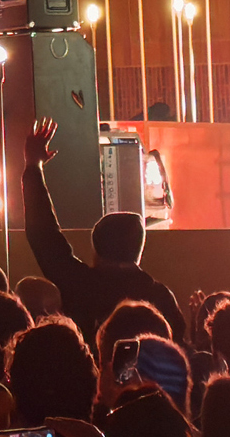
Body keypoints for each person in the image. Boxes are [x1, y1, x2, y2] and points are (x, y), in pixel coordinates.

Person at [12, 116, 182, 338]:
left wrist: (33, 166)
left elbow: (44, 236)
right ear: (138, 251)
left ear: (97, 252)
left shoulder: (81, 285)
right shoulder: (160, 297)